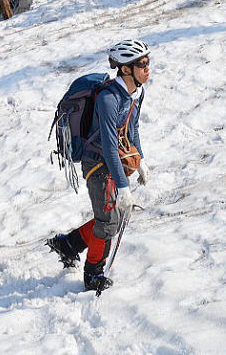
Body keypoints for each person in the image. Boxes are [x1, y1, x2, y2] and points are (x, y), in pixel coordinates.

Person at [46, 39, 151, 293]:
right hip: (97, 164)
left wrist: (142, 160)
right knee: (109, 222)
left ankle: (69, 244)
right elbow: (108, 145)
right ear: (126, 69)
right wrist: (123, 186)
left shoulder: (136, 93)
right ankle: (93, 274)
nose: (148, 68)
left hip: (115, 163)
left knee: (109, 218)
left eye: (148, 62)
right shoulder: (108, 99)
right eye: (142, 64)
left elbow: (132, 128)